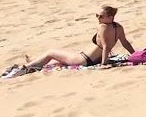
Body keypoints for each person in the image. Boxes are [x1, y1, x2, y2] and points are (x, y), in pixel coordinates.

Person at [8, 6, 136, 76]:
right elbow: (125, 43)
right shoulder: (118, 27)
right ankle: (35, 62)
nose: (98, 18)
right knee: (56, 60)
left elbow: (106, 46)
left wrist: (103, 64)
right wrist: (135, 54)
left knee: (50, 52)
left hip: (84, 60)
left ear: (110, 17)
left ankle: (25, 68)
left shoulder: (102, 27)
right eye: (97, 15)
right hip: (91, 59)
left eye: (101, 16)